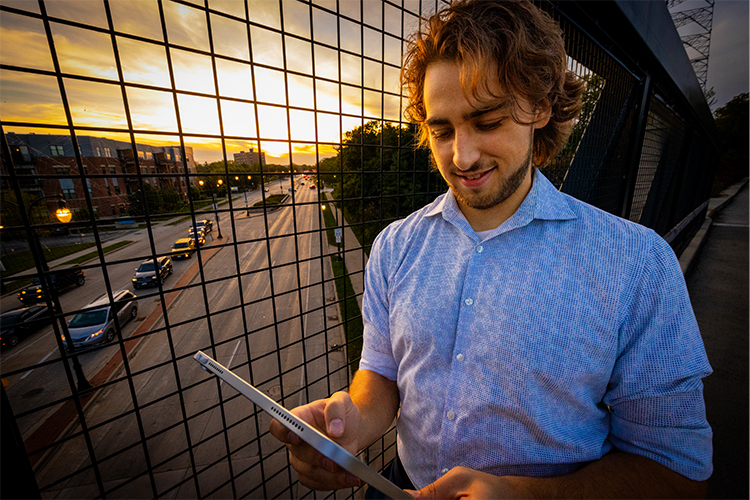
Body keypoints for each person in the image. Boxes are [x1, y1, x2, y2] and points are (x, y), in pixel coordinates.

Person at [270, 1, 713, 498]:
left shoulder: (636, 263)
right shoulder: (395, 246)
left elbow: (675, 468)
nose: (462, 156)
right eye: (442, 130)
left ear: (541, 108)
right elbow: (382, 371)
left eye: (487, 122)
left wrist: (526, 495)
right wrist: (350, 423)